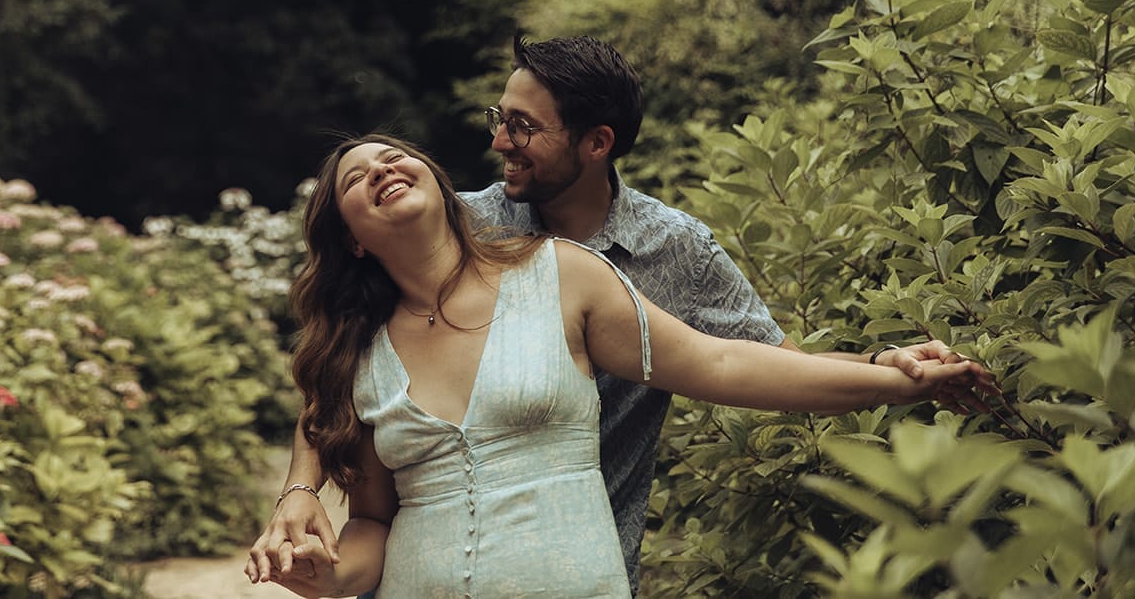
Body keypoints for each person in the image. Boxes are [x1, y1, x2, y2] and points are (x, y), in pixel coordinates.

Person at [249, 34, 991, 593]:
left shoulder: (649, 254)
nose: (499, 141)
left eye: (522, 127)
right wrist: (299, 491)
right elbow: (339, 376)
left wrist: (887, 369)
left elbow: (743, 362)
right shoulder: (449, 230)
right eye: (500, 118)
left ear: (596, 143)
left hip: (583, 554)